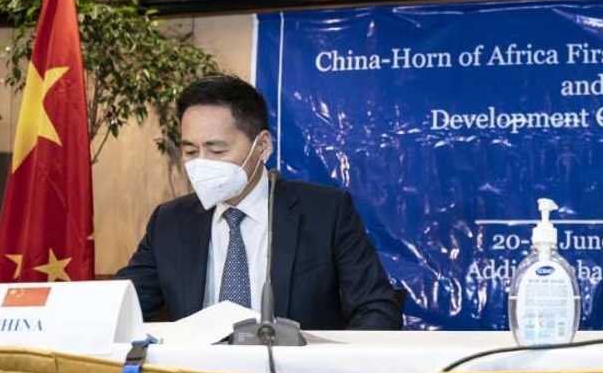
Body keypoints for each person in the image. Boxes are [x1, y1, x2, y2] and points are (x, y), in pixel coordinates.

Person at [117, 74, 401, 330]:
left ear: (262, 146)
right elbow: (121, 305)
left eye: (217, 149)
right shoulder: (169, 220)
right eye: (190, 150)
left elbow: (376, 308)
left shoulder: (326, 212)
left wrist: (330, 369)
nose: (201, 163)